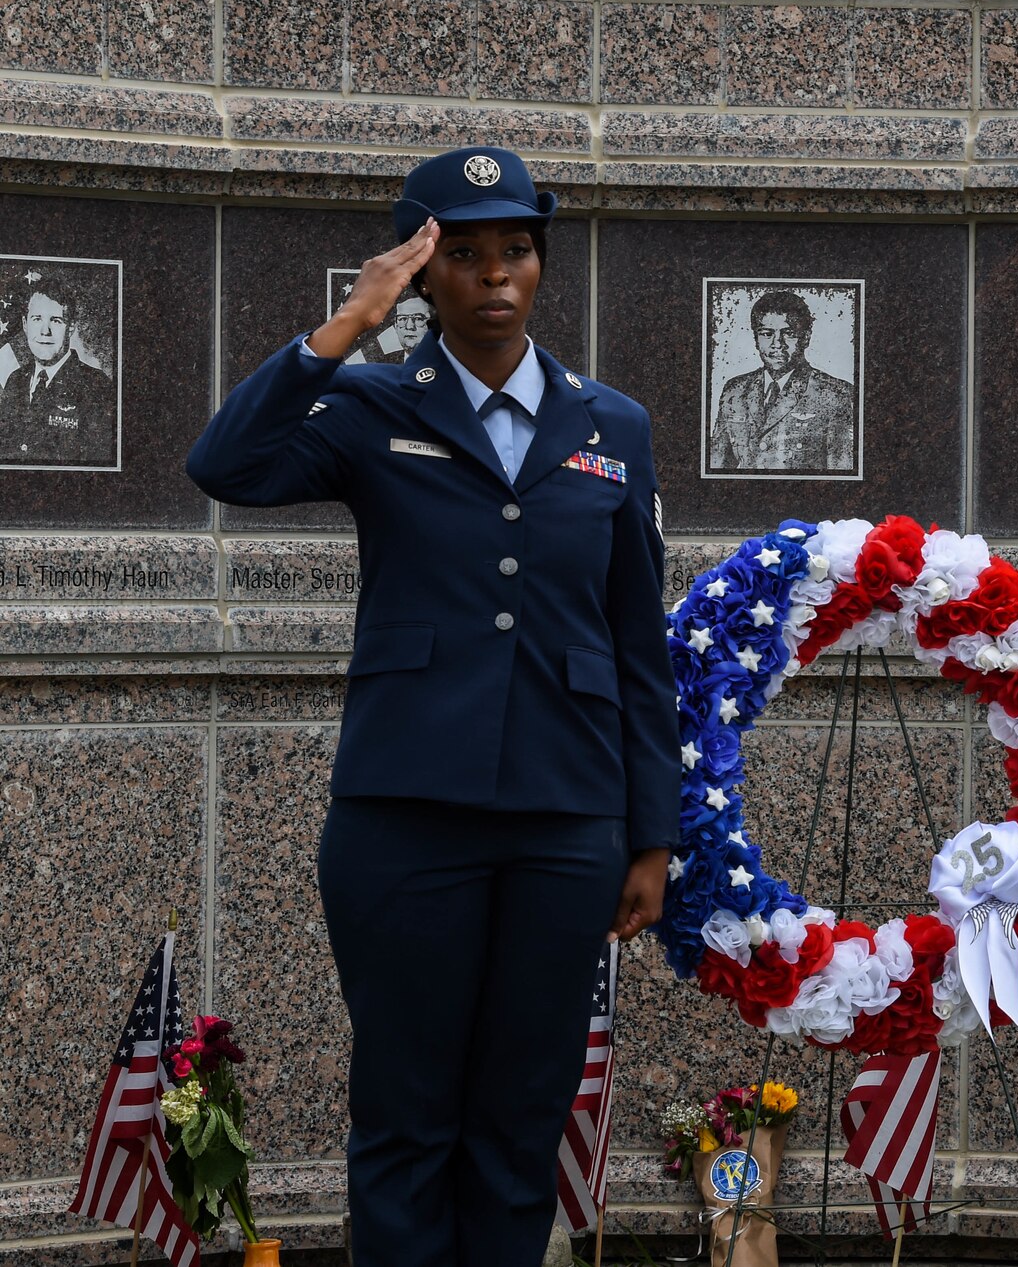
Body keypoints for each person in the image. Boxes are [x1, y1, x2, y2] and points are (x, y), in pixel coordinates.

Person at [186, 146, 680, 1267]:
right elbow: (226, 463)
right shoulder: (367, 403)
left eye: (515, 251)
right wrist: (348, 324)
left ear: (541, 267)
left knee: (518, 1122)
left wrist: (652, 829)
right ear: (423, 274)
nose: (495, 276)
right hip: (404, 817)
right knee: (406, 1118)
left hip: (565, 819)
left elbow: (636, 639)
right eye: (462, 256)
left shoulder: (612, 425)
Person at [708, 287, 856, 472]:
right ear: (756, 339)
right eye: (767, 334)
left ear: (806, 338)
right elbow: (716, 467)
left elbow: (842, 474)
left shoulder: (835, 395)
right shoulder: (735, 391)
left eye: (789, 333)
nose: (777, 344)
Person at [0, 271, 117, 466]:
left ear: (70, 327)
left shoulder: (97, 387)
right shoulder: (16, 379)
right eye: (37, 319)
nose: (45, 331)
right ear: (25, 324)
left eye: (55, 320)